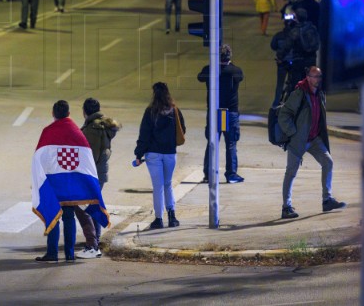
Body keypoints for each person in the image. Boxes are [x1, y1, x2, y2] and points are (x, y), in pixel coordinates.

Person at [32, 100, 109, 263]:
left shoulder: (48, 132)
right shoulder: (77, 132)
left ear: (53, 114)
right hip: (71, 184)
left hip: (54, 183)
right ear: (68, 113)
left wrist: (39, 180)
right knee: (68, 217)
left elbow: (40, 157)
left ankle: (52, 253)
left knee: (53, 214)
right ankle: (69, 253)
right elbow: (86, 160)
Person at [278, 66, 346, 219]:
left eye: (319, 76)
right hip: (299, 140)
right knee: (291, 173)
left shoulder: (320, 93)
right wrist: (293, 133)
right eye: (314, 76)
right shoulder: (299, 93)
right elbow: (284, 114)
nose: (317, 79)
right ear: (308, 77)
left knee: (328, 162)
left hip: (314, 139)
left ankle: (327, 200)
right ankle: (286, 207)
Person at [133, 82, 186, 229]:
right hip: (170, 153)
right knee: (168, 184)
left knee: (158, 187)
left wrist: (138, 154)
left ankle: (158, 218)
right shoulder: (175, 110)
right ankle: (172, 216)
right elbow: (183, 129)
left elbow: (144, 135)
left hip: (153, 154)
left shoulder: (150, 111)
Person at [74, 98, 121, 258]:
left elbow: (90, 156)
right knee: (92, 205)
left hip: (92, 173)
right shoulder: (102, 126)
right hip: (100, 173)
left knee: (85, 206)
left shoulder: (92, 130)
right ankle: (95, 240)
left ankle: (92, 245)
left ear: (85, 111)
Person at [198, 44, 245, 184]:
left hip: (215, 112)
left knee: (212, 142)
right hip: (229, 112)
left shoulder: (210, 70)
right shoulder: (235, 71)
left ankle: (208, 173)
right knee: (231, 143)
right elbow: (240, 77)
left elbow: (199, 77)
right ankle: (231, 173)